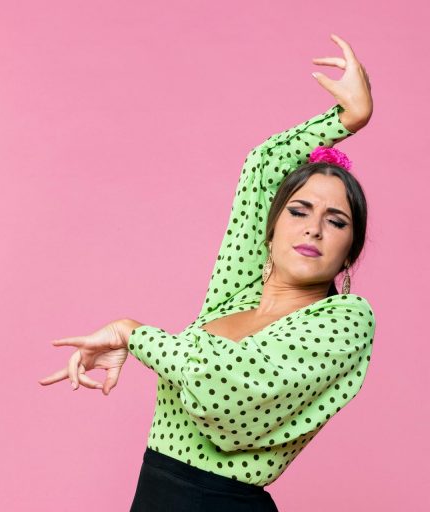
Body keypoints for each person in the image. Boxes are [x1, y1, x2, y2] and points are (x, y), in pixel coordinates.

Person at [38, 33, 374, 511]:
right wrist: (347, 120)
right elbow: (265, 166)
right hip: (153, 493)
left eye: (336, 221)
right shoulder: (235, 294)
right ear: (271, 228)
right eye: (299, 211)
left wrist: (133, 334)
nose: (314, 229)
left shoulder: (344, 319)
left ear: (348, 253)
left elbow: (223, 393)